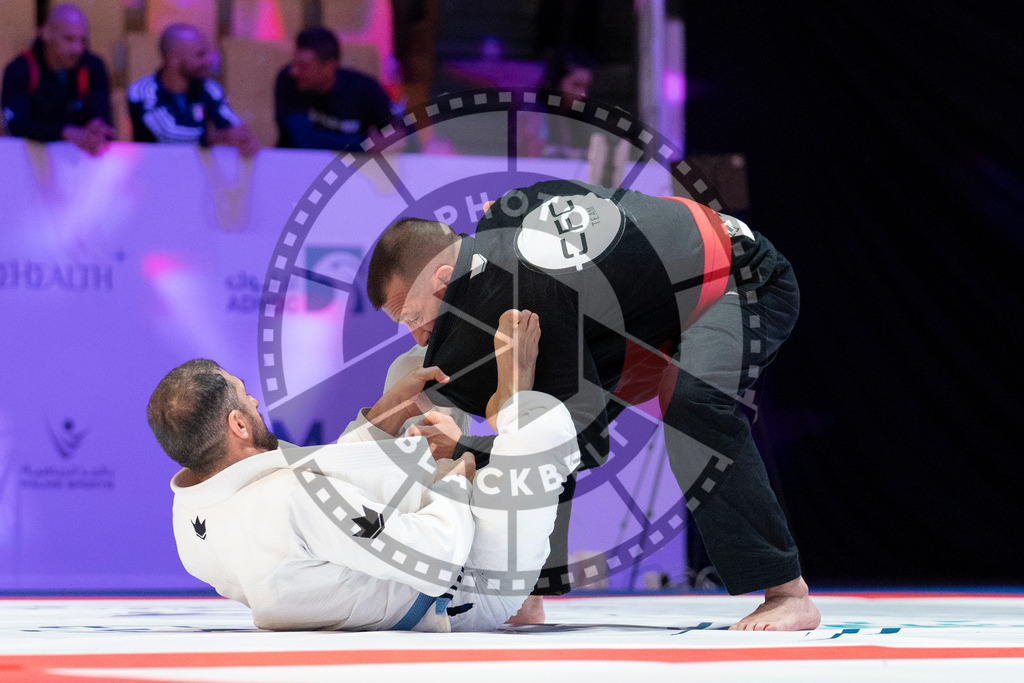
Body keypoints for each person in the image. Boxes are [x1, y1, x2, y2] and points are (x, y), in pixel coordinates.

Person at [365, 180, 821, 631]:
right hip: (649, 317)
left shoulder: (527, 278)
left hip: (740, 277)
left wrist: (465, 446)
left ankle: (787, 591)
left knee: (690, 401)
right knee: (537, 403)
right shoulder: (502, 245)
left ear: (443, 281)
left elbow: (584, 440)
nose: (418, 336)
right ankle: (529, 590)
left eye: (412, 317)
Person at [147, 310, 579, 631]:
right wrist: (454, 477)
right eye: (245, 397)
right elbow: (437, 557)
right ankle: (512, 395)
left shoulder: (190, 525)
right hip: (470, 585)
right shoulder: (288, 500)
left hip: (396, 563)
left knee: (410, 370)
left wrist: (386, 416)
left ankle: (478, 426)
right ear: (238, 425)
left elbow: (324, 503)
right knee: (543, 428)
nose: (255, 403)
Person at [1, 3, 116, 155]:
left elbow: (102, 116)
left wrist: (98, 127)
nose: (77, 49)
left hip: (83, 163)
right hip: (28, 163)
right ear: (46, 33)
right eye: (69, 39)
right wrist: (65, 132)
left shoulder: (93, 66)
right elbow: (16, 125)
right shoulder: (20, 69)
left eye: (83, 41)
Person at [127, 23, 258, 155]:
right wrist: (213, 137)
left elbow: (231, 122)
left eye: (208, 53)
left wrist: (243, 138)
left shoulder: (210, 89)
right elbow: (167, 134)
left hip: (198, 173)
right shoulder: (142, 91)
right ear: (174, 59)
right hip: (152, 170)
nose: (209, 61)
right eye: (200, 55)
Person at [275, 27, 393, 151]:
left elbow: (400, 130)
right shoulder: (287, 81)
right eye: (294, 62)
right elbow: (306, 141)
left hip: (348, 167)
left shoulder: (365, 88)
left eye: (303, 66)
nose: (294, 71)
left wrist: (388, 142)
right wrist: (365, 145)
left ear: (329, 67)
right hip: (294, 163)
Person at [519, 48, 595, 159]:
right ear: (556, 82)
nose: (582, 94)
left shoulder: (579, 117)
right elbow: (530, 161)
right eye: (576, 85)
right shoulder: (534, 114)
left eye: (586, 86)